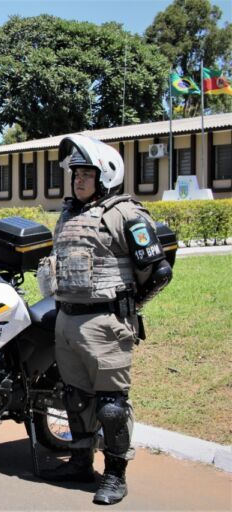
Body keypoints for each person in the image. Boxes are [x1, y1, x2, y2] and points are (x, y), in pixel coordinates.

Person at [37, 135, 172, 505]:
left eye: (86, 174)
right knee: (74, 398)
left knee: (111, 407)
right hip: (67, 320)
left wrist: (130, 305)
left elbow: (159, 271)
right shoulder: (69, 213)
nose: (78, 180)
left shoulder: (125, 213)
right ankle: (80, 463)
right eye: (75, 174)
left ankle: (115, 475)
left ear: (105, 176)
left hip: (105, 324)